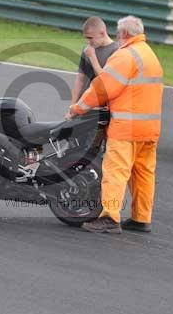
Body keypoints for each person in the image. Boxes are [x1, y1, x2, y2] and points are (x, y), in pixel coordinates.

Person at [69, 15, 163, 234]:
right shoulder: (150, 55)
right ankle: (141, 218)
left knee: (115, 172)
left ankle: (110, 218)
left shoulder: (125, 56)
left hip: (127, 128)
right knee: (143, 174)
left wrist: (77, 108)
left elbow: (102, 88)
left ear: (122, 34)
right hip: (150, 129)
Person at [65, 17, 119, 119]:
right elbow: (80, 80)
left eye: (90, 38)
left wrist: (92, 57)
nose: (88, 42)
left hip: (101, 110)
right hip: (82, 106)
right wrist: (72, 107)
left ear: (102, 33)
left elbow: (106, 81)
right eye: (86, 38)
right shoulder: (87, 50)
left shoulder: (116, 51)